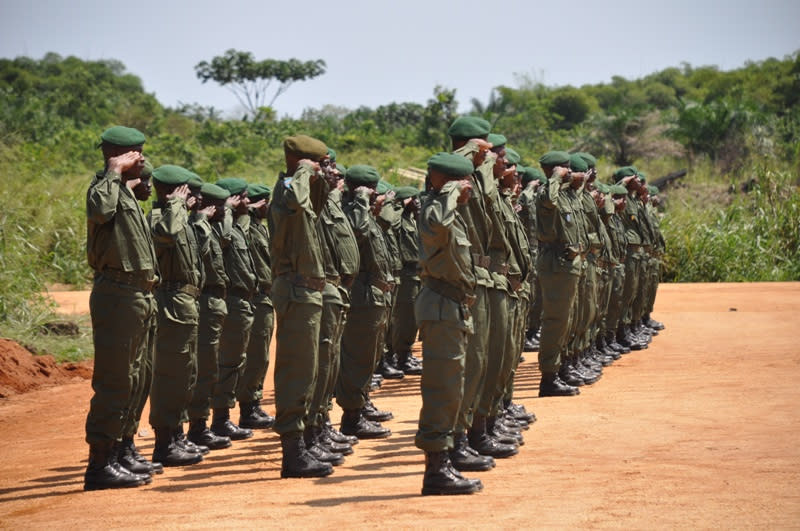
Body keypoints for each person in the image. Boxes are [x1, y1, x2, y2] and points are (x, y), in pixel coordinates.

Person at [84, 125, 157, 490]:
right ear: (119, 155)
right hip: (117, 294)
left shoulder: (122, 193)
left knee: (136, 377)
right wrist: (115, 173)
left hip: (137, 295)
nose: (142, 158)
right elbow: (98, 210)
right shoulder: (102, 187)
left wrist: (131, 184)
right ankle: (99, 465)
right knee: (115, 380)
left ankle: (121, 449)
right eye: (137, 153)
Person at [415, 152, 484, 496]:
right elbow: (436, 226)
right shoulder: (432, 209)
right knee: (442, 388)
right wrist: (448, 194)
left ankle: (446, 459)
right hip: (440, 308)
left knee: (454, 386)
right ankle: (436, 471)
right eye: (464, 182)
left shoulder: (452, 212)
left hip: (452, 308)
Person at [270, 135, 336, 478]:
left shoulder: (303, 195)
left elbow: (318, 203)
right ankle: (292, 453)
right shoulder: (286, 190)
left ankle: (305, 442)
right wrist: (301, 173)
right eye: (320, 163)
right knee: (296, 371)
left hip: (307, 291)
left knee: (309, 369)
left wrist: (320, 178)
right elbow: (296, 196)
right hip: (295, 290)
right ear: (303, 163)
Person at [148, 164, 210, 467]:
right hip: (170, 303)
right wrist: (174, 204)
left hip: (186, 302)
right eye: (188, 192)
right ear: (173, 191)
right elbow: (166, 236)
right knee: (170, 375)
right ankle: (164, 442)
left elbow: (203, 253)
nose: (194, 198)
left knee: (186, 373)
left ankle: (176, 435)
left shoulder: (182, 219)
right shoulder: (161, 218)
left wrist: (196, 217)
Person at [336, 165, 395, 439]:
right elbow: (356, 231)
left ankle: (360, 403)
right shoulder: (351, 212)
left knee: (368, 356)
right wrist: (360, 200)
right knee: (358, 357)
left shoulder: (367, 214)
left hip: (375, 296)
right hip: (362, 296)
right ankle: (352, 417)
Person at [187, 182, 235, 450]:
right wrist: (205, 218)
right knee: (203, 368)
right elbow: (202, 254)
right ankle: (196, 426)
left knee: (212, 367)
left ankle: (202, 425)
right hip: (204, 302)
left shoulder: (212, 227)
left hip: (216, 302)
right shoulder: (199, 227)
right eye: (220, 207)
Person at [210, 177, 258, 441]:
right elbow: (225, 238)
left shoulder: (238, 225)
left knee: (237, 362)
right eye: (243, 197)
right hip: (230, 301)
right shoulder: (221, 226)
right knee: (227, 364)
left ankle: (224, 417)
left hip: (243, 300)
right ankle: (219, 420)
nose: (247, 203)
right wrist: (227, 208)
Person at [535, 151, 583, 397]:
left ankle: (560, 368)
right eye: (566, 168)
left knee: (566, 320)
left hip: (568, 264)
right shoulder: (546, 192)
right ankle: (548, 378)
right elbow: (549, 201)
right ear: (554, 169)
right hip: (556, 263)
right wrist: (555, 177)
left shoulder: (566, 194)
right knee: (555, 322)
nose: (570, 171)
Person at [235, 183, 275, 430]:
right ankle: (247, 407)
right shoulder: (247, 227)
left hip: (265, 296)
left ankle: (254, 403)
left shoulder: (261, 228)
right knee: (254, 355)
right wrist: (244, 213)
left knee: (262, 356)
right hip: (255, 296)